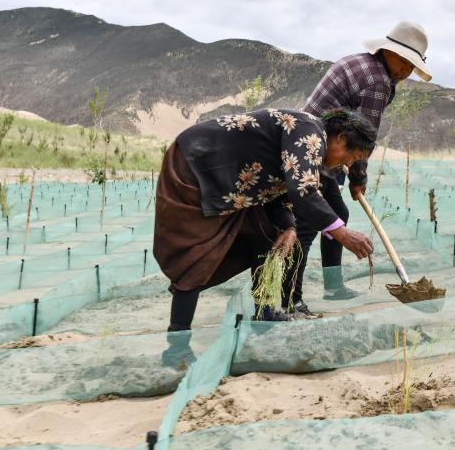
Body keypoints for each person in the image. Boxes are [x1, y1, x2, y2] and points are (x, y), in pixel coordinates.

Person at [153, 108, 376, 366]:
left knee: (269, 234)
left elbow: (280, 191)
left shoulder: (312, 150)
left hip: (234, 182)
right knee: (196, 255)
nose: (346, 164)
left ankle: (263, 314)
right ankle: (176, 349)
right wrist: (342, 234)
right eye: (351, 156)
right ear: (340, 139)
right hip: (198, 165)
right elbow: (303, 191)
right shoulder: (310, 132)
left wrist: (289, 227)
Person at [285, 21, 433, 313]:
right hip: (317, 150)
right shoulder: (377, 82)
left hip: (317, 144)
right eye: (403, 62)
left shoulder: (363, 64)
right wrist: (358, 178)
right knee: (308, 224)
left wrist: (352, 174)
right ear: (388, 51)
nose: (406, 71)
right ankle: (291, 298)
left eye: (411, 66)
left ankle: (332, 287)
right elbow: (364, 138)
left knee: (337, 214)